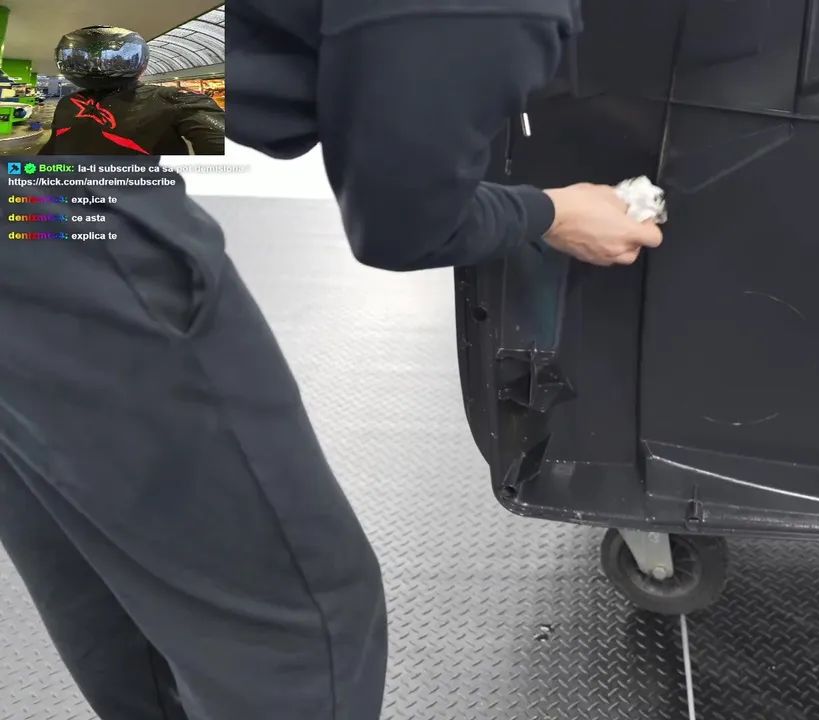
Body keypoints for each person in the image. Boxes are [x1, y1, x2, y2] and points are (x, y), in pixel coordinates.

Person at [0, 2, 659, 719]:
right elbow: (401, 221)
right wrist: (553, 212)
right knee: (298, 626)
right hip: (45, 194)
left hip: (24, 112)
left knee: (99, 555)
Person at [38, 26, 225, 155]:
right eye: (87, 60)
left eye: (110, 60)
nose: (97, 67)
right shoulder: (67, 103)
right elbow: (53, 149)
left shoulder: (175, 99)